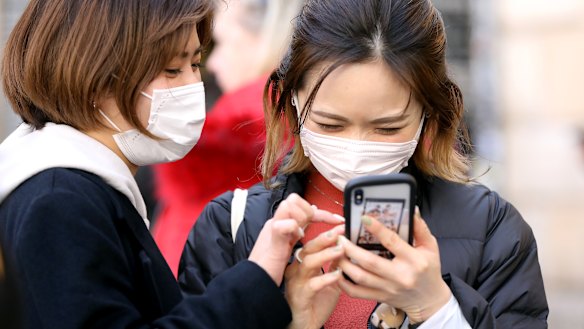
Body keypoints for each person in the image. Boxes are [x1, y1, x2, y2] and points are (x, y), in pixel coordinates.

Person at [178, 0, 549, 328]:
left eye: (387, 128)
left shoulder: (492, 230)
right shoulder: (231, 227)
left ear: (428, 114)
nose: (356, 148)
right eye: (329, 124)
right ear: (291, 103)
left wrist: (437, 309)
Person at [0, 0, 344, 328]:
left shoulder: (75, 186)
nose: (193, 84)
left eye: (195, 64)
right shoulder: (60, 202)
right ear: (92, 74)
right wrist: (255, 279)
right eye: (171, 69)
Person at [151, 0, 304, 276]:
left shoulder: (222, 147)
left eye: (220, 43)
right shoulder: (300, 128)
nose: (214, 64)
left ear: (266, 38)